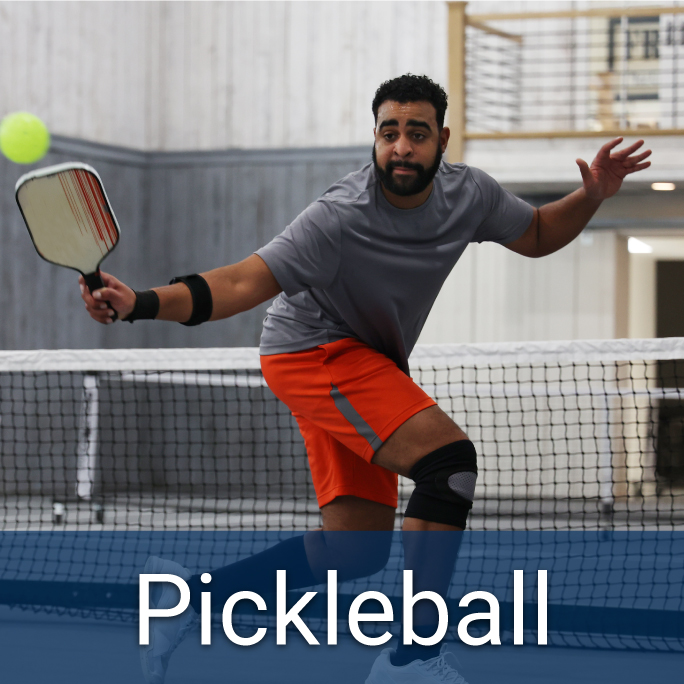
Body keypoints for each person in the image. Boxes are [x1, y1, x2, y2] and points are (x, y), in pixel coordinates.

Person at [81, 74, 651, 684]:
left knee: (354, 553)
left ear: (442, 140)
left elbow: (536, 233)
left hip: (367, 360)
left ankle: (186, 602)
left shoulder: (471, 196)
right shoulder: (340, 215)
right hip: (312, 351)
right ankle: (412, 658)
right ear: (374, 139)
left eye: (416, 133)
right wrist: (139, 301)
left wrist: (592, 195)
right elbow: (242, 282)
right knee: (449, 461)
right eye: (389, 133)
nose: (401, 146)